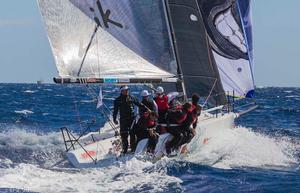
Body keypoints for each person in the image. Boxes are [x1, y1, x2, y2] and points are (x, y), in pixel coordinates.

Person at [113, 85, 141, 154]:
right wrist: (114, 119)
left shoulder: (131, 97)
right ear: (122, 91)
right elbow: (115, 110)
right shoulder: (118, 100)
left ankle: (133, 148)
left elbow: (139, 104)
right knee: (124, 134)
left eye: (127, 90)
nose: (127, 91)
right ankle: (124, 149)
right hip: (123, 119)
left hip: (132, 119)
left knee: (132, 133)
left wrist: (147, 108)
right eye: (125, 90)